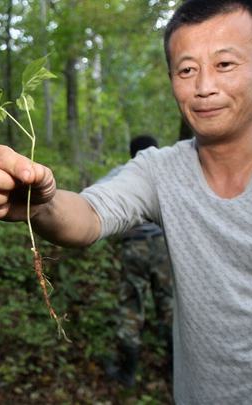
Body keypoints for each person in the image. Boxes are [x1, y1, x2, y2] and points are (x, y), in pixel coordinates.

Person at [0, 0, 252, 403]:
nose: (204, 86)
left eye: (225, 65)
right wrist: (38, 205)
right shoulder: (158, 171)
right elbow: (88, 216)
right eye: (187, 69)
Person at [100, 135, 173, 388]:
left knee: (131, 305)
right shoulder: (169, 173)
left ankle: (127, 372)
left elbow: (92, 200)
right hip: (165, 247)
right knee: (170, 305)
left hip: (134, 247)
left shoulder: (122, 173)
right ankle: (175, 371)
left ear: (132, 154)